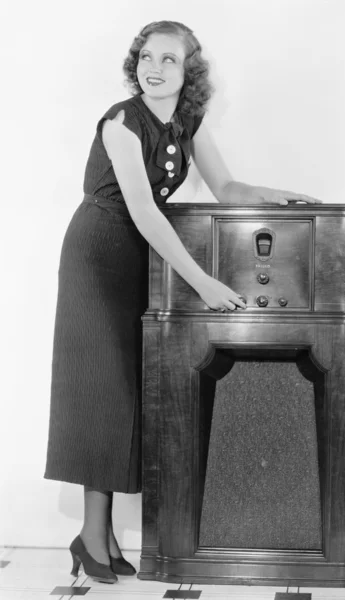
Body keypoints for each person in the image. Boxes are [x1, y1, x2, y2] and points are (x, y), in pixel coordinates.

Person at [44, 20, 321, 584]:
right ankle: (93, 536)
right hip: (98, 256)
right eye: (147, 57)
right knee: (103, 389)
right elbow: (144, 212)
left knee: (128, 390)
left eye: (169, 59)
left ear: (188, 70)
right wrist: (202, 282)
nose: (154, 67)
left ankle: (97, 535)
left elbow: (227, 188)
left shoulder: (187, 122)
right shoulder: (122, 122)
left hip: (140, 255)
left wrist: (276, 194)